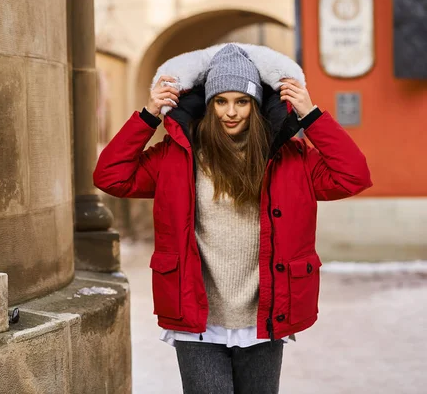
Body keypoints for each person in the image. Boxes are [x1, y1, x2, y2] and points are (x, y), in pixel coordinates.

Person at [93, 44, 372, 394]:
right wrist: (149, 115)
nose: (231, 112)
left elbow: (353, 176)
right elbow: (111, 177)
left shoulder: (291, 158)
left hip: (264, 315)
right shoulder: (178, 156)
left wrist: (311, 115)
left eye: (241, 101)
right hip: (197, 317)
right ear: (209, 105)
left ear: (255, 105)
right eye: (220, 101)